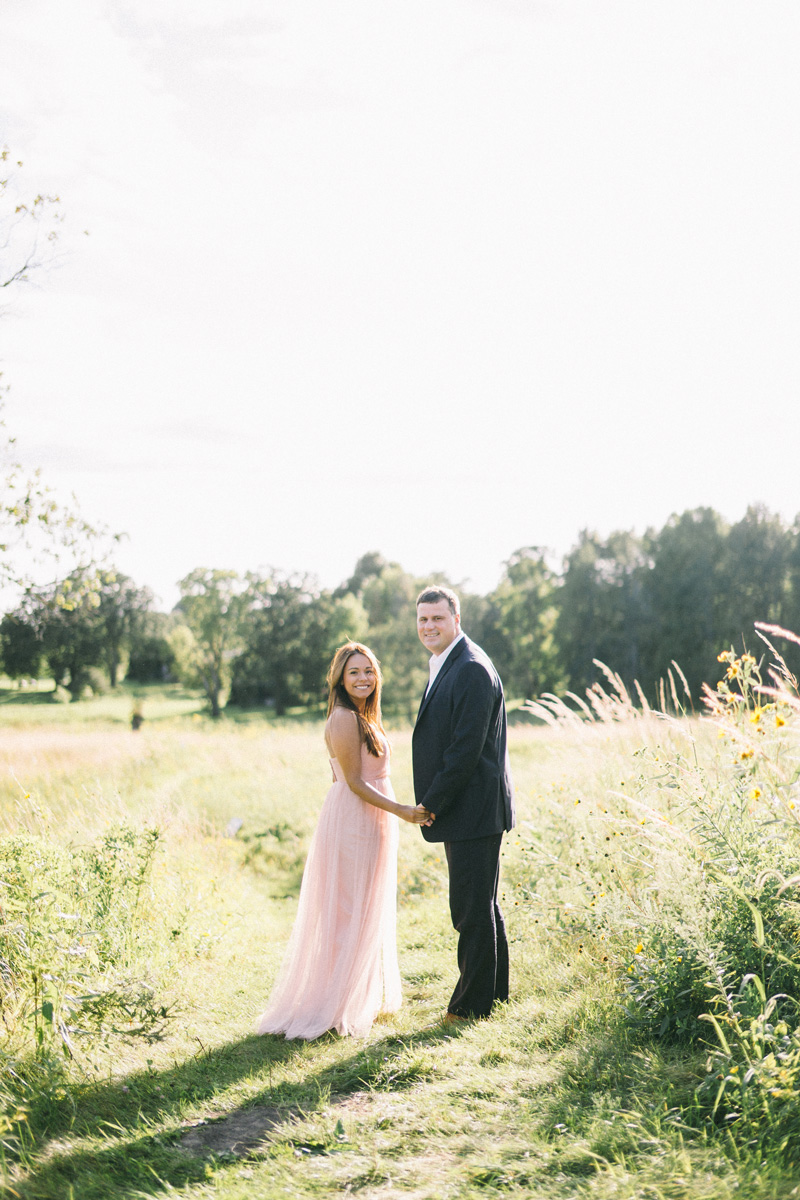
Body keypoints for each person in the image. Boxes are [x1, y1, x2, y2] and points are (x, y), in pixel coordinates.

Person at [258, 642, 432, 1040]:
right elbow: (352, 783)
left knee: (366, 903)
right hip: (357, 818)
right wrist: (402, 810)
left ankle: (356, 995)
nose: (363, 678)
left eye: (369, 671)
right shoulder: (342, 718)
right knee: (348, 907)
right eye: (354, 672)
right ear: (339, 677)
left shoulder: (363, 717)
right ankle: (334, 1003)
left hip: (370, 818)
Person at [411, 586, 515, 1023]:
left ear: (456, 618)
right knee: (482, 904)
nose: (429, 626)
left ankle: (471, 1008)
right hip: (473, 809)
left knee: (470, 910)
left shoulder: (470, 668)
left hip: (472, 809)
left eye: (437, 618)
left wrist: (430, 803)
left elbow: (464, 750)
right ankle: (497, 994)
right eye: (422, 620)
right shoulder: (450, 662)